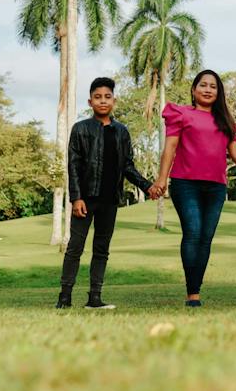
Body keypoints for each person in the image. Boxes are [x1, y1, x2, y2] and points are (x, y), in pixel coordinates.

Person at [152, 70, 236, 307]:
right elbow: (170, 148)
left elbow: (235, 150)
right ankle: (192, 293)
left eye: (213, 86)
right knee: (193, 232)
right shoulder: (181, 113)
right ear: (193, 90)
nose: (207, 90)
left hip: (215, 187)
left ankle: (196, 288)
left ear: (218, 92)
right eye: (202, 85)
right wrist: (162, 180)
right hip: (186, 183)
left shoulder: (225, 120)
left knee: (206, 238)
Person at [56, 77, 158, 310]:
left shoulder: (122, 132)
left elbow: (128, 166)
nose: (103, 101)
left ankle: (94, 297)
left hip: (110, 200)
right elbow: (73, 165)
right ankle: (65, 296)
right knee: (75, 248)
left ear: (114, 100)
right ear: (90, 101)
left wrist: (147, 186)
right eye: (98, 97)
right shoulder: (80, 129)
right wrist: (76, 198)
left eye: (107, 97)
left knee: (101, 250)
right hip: (85, 199)